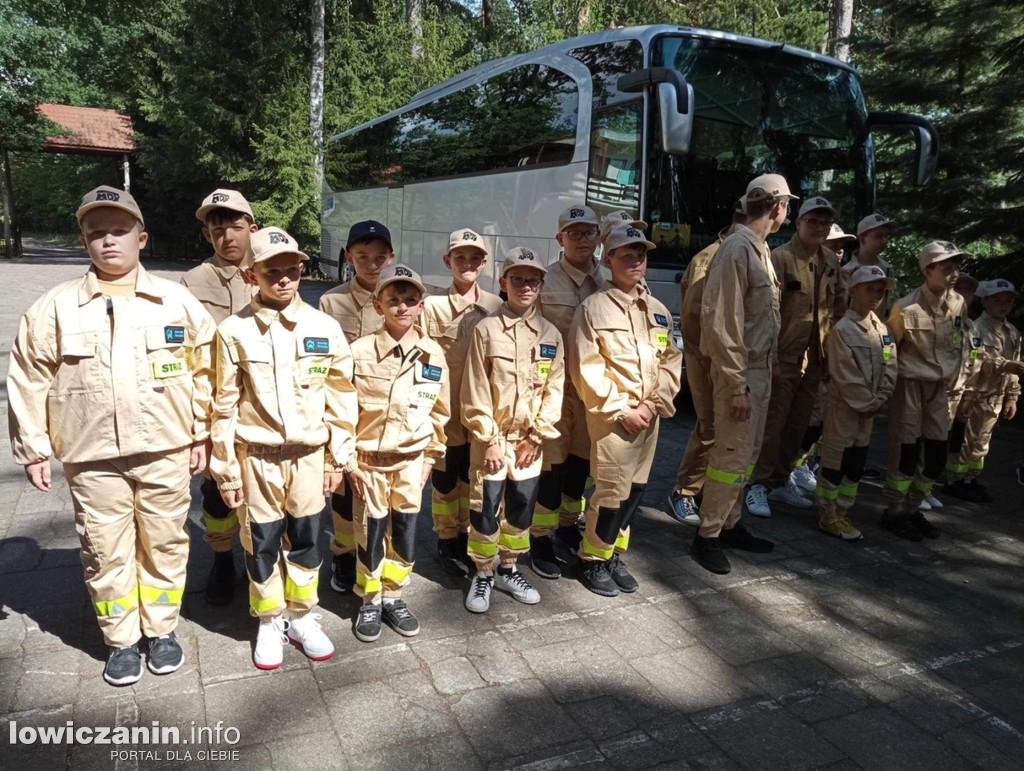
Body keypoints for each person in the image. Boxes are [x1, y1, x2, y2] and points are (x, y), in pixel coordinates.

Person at [8, 186, 215, 685]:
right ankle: (121, 638)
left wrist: (202, 431)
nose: (108, 241)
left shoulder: (175, 300)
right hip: (92, 456)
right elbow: (29, 376)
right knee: (105, 548)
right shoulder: (55, 308)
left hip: (165, 449)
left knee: (165, 543)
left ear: (141, 238)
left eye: (118, 231)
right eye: (96, 233)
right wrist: (33, 446)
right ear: (84, 242)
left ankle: (162, 629)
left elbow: (208, 368)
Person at [211, 226, 357, 669]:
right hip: (256, 457)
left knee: (309, 540)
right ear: (252, 275)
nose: (284, 279)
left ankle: (302, 615)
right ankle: (269, 619)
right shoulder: (232, 331)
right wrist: (227, 471)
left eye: (292, 270)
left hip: (310, 458)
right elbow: (222, 406)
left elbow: (341, 396)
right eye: (271, 271)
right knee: (261, 541)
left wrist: (338, 457)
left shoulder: (323, 326)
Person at [570, 225, 682, 595]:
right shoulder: (593, 308)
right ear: (609, 259)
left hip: (648, 419)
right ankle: (592, 560)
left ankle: (614, 552)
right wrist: (624, 410)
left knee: (635, 491)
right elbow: (586, 368)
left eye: (641, 254)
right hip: (613, 420)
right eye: (627, 254)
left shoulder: (659, 311)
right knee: (610, 494)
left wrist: (652, 404)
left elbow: (670, 360)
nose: (636, 261)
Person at [691, 173, 791, 575]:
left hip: (757, 372)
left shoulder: (760, 250)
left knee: (745, 456)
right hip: (741, 373)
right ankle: (707, 535)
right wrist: (735, 385)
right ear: (780, 208)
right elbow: (722, 321)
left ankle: (729, 523)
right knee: (729, 456)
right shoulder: (737, 249)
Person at [348, 265, 449, 642]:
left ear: (421, 306)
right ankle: (370, 599)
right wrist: (346, 462)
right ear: (378, 305)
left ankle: (394, 595)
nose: (402, 307)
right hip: (369, 463)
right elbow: (342, 412)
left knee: (405, 532)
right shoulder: (358, 353)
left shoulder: (433, 355)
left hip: (411, 461)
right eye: (393, 300)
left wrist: (430, 458)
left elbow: (440, 410)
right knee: (370, 532)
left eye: (410, 300)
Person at [461, 248, 565, 612]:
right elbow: (474, 389)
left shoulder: (550, 334)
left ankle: (509, 567)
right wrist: (487, 440)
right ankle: (483, 573)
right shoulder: (486, 330)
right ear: (504, 283)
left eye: (532, 280)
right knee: (486, 507)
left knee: (521, 506)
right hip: (491, 440)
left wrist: (537, 436)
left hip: (528, 443)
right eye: (517, 279)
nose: (525, 286)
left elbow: (555, 389)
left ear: (541, 285)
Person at [181, 188, 258, 605]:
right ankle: (223, 560)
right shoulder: (193, 283)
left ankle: (259, 560)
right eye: (217, 228)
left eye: (235, 225)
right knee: (215, 492)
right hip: (215, 404)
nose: (226, 235)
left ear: (252, 228)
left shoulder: (270, 271)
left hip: (265, 404)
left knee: (264, 490)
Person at [747, 196, 843, 517]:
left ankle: (779, 479)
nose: (819, 227)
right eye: (813, 221)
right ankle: (756, 483)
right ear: (798, 222)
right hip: (784, 357)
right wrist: (770, 358)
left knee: (799, 425)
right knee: (773, 423)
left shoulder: (831, 261)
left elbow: (837, 311)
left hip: (816, 360)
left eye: (825, 223)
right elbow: (767, 312)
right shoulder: (781, 258)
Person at [530, 205, 605, 579]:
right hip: (554, 393)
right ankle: (539, 537)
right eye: (573, 233)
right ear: (560, 239)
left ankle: (566, 526)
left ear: (599, 236)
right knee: (551, 468)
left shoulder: (609, 280)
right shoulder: (544, 280)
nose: (581, 240)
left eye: (588, 232)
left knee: (581, 467)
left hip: (593, 393)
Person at [319, 221, 394, 594]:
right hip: (345, 412)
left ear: (391, 258)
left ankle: (375, 554)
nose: (371, 264)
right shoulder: (331, 303)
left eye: (380, 257)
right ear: (349, 257)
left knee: (382, 492)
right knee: (344, 492)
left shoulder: (401, 298)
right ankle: (344, 553)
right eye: (362, 256)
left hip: (386, 416)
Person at [422, 229, 501, 577]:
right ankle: (446, 536)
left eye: (474, 258)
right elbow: (422, 360)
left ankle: (468, 531)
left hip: (483, 412)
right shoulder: (432, 306)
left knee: (475, 478)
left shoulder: (498, 306)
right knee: (445, 477)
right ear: (447, 261)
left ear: (484, 263)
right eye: (459, 258)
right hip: (446, 412)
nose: (467, 264)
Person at [883, 241, 969, 540]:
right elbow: (887, 350)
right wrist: (885, 386)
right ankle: (895, 512)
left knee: (935, 455)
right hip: (909, 386)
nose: (954, 273)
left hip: (940, 389)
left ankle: (912, 506)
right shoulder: (905, 307)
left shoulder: (958, 303)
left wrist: (961, 379)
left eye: (957, 267)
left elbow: (960, 343)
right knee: (905, 453)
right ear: (928, 270)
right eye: (947, 268)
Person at [668, 197, 746, 526]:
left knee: (733, 432)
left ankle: (709, 492)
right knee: (710, 426)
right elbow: (693, 321)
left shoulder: (757, 253)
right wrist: (711, 363)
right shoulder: (708, 259)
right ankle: (684, 492)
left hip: (738, 361)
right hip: (709, 361)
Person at [815, 266, 898, 540]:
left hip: (868, 410)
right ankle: (828, 515)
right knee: (835, 460)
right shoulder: (842, 330)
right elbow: (844, 374)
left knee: (856, 462)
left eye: (880, 290)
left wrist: (882, 397)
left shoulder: (881, 329)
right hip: (845, 409)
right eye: (869, 288)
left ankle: (843, 510)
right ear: (853, 291)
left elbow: (891, 364)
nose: (876, 295)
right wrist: (868, 402)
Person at [944, 280, 1020, 501]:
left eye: (1008, 301)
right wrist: (967, 395)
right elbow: (973, 361)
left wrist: (1012, 397)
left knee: (982, 441)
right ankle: (954, 479)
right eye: (997, 300)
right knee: (965, 440)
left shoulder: (1012, 332)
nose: (1003, 305)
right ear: (985, 301)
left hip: (995, 397)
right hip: (976, 395)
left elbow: (1015, 366)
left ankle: (971, 478)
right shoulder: (976, 328)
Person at [842, 213, 897, 320]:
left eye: (886, 236)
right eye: (878, 236)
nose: (884, 241)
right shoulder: (847, 271)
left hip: (879, 330)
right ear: (862, 239)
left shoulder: (887, 269)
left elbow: (889, 305)